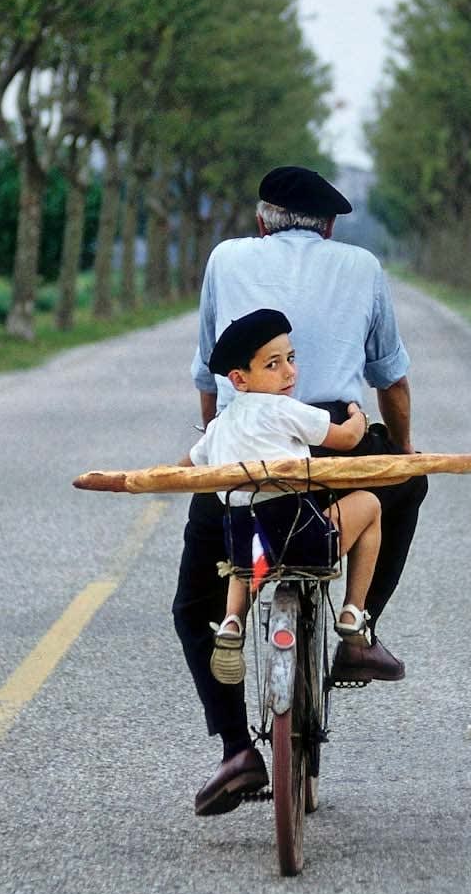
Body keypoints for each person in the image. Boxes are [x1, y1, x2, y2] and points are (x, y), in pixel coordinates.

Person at [174, 164, 428, 818]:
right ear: (332, 226)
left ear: (262, 222)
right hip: (332, 436)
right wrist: (399, 449)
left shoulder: (226, 259)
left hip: (245, 452)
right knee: (407, 480)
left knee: (195, 600)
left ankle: (236, 750)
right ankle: (357, 627)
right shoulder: (363, 266)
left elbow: (210, 373)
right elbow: (390, 381)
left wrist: (218, 438)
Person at [180, 308, 382, 686]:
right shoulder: (285, 410)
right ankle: (354, 611)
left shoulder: (220, 426)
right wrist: (358, 415)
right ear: (239, 379)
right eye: (273, 364)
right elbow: (348, 439)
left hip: (252, 552)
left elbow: (184, 469)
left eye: (290, 359)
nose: (289, 371)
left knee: (244, 546)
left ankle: (232, 620)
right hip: (305, 542)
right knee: (369, 504)